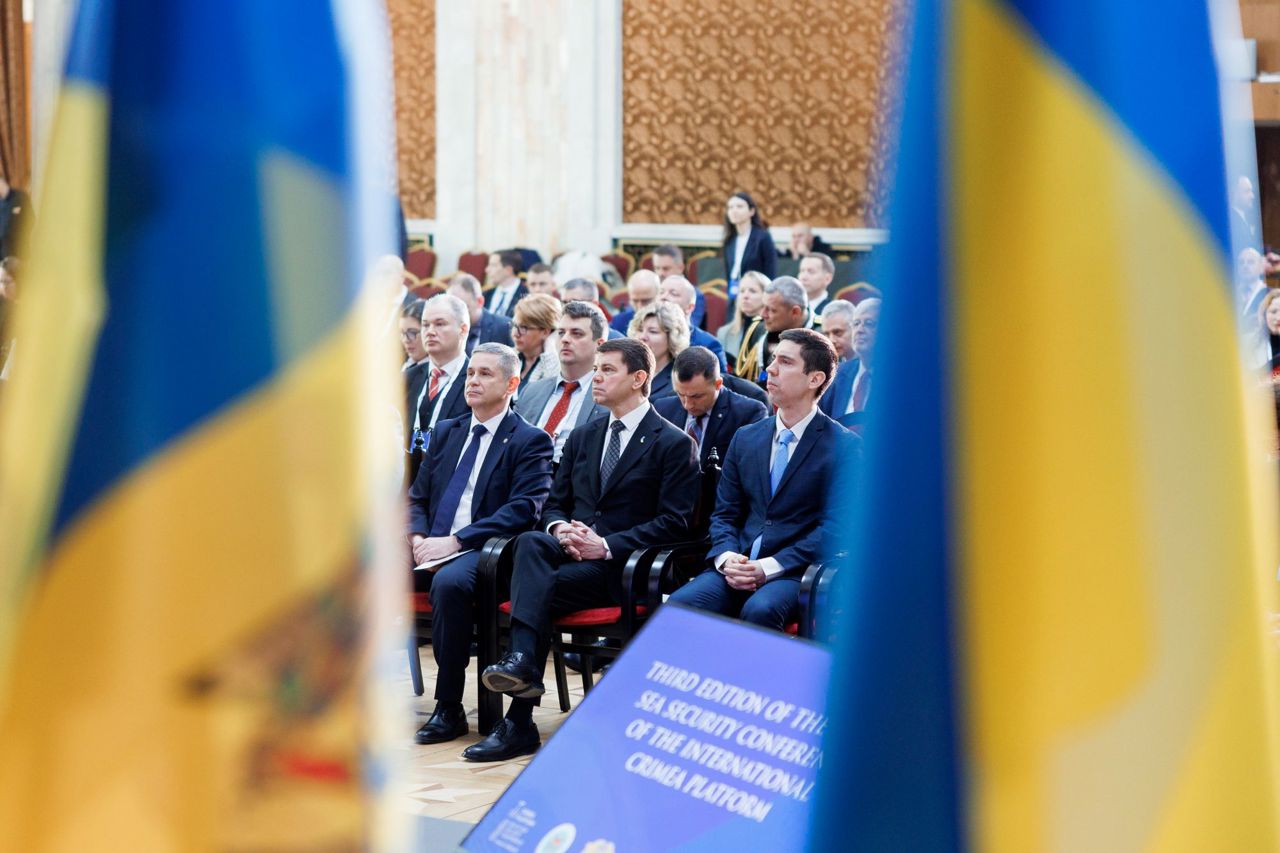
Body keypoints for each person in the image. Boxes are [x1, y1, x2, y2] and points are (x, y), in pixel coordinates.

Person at [472, 338, 700, 761]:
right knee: (532, 542)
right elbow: (553, 504)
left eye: (607, 370)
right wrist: (560, 529)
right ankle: (521, 672)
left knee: (531, 587)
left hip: (623, 569)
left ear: (639, 378)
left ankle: (519, 716)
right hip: (567, 558)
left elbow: (675, 522)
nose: (596, 377)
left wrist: (606, 546)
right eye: (596, 369)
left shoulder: (673, 442)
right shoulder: (583, 436)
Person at [407, 343, 554, 745]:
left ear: (511, 384)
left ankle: (448, 707)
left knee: (449, 583)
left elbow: (523, 510)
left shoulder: (530, 440)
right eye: (471, 372)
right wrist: (418, 538)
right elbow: (417, 497)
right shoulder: (446, 431)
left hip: (484, 549)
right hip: (429, 543)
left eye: (485, 374)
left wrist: (454, 541)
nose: (472, 380)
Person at [669, 329, 857, 631]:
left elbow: (835, 528)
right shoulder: (746, 437)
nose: (770, 369)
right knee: (679, 604)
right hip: (739, 561)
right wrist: (727, 557)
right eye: (773, 359)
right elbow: (725, 513)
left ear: (815, 379)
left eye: (785, 362)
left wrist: (768, 567)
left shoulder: (845, 447)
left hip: (797, 571)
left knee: (760, 610)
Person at [516, 300, 609, 464]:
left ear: (599, 345)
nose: (565, 339)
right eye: (561, 333)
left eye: (576, 334)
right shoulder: (531, 391)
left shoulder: (609, 398)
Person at [654, 346, 769, 470]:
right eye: (680, 394)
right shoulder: (662, 409)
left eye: (696, 396)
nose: (687, 404)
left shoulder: (748, 414)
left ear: (718, 384)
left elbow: (749, 469)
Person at [408, 294, 472, 484]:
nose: (430, 331)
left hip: (450, 486)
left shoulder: (477, 383)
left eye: (440, 324)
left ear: (463, 329)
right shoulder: (406, 379)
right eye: (425, 325)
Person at [735, 276, 809, 388]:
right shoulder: (758, 329)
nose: (763, 314)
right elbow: (741, 380)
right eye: (763, 306)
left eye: (772, 310)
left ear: (795, 312)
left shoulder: (823, 334)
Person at [821, 298, 880, 418]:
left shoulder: (900, 378)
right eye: (856, 323)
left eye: (869, 323)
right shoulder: (836, 375)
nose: (859, 330)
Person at [657, 276, 727, 370]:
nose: (664, 297)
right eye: (661, 292)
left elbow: (720, 378)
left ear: (690, 307)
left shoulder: (708, 344)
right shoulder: (644, 336)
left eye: (673, 294)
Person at [628, 301, 689, 401]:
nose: (642, 337)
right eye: (640, 329)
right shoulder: (625, 368)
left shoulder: (680, 380)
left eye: (653, 331)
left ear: (672, 338)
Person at [722, 191, 777, 302]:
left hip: (757, 296)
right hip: (735, 294)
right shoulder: (730, 240)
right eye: (730, 207)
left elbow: (770, 270)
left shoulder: (763, 237)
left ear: (751, 211)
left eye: (739, 206)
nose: (734, 210)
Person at [449, 273, 513, 355]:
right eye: (451, 308)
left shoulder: (504, 327)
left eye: (462, 309)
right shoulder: (445, 328)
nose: (455, 314)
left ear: (480, 302)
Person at [716, 271, 768, 371]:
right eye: (742, 291)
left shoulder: (770, 332)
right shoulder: (724, 332)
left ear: (766, 296)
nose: (745, 296)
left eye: (752, 291)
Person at [511, 293, 562, 391]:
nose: (515, 333)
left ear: (545, 332)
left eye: (523, 328)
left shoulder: (555, 364)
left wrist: (550, 349)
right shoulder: (510, 357)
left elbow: (552, 390)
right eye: (514, 325)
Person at [652, 244, 706, 329]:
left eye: (666, 268)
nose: (660, 273)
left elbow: (690, 326)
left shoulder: (694, 294)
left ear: (681, 268)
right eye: (657, 268)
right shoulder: (651, 290)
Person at [560, 278, 625, 340]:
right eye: (564, 303)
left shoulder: (614, 341)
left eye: (574, 303)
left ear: (594, 304)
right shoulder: (557, 334)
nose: (567, 308)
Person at [399, 299, 431, 421]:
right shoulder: (400, 361)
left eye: (412, 332)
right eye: (402, 333)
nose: (406, 340)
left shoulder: (434, 373)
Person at [609, 269, 659, 334]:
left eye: (646, 301)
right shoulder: (619, 322)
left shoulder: (669, 322)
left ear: (658, 296)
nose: (640, 307)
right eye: (635, 301)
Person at [485, 250, 527, 318]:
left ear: (508, 270)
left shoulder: (526, 295)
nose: (487, 270)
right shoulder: (486, 294)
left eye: (493, 265)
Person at [798, 253, 836, 320]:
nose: (803, 277)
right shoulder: (790, 308)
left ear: (827, 279)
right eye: (802, 271)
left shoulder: (834, 312)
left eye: (811, 272)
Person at [0, 177, 31, 259]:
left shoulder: (20, 197)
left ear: (2, 181)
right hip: (4, 256)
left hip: (19, 253)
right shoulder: (0, 204)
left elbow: (31, 219)